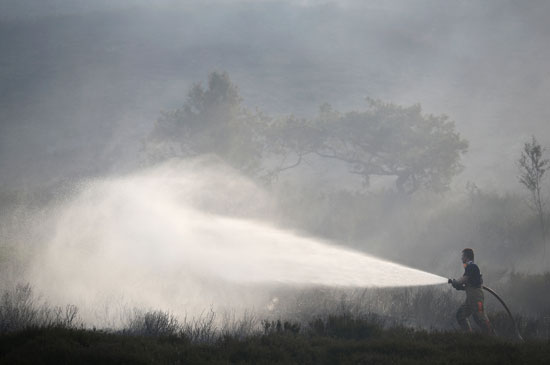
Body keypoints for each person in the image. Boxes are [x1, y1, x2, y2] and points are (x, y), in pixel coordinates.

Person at [449, 248, 494, 334]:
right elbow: (468, 285)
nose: (461, 258)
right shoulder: (470, 268)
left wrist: (456, 282)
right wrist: (458, 286)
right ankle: (469, 335)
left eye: (463, 256)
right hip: (470, 300)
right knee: (460, 315)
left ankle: (491, 337)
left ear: (467, 257)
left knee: (480, 318)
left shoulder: (472, 266)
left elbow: (465, 279)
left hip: (476, 298)